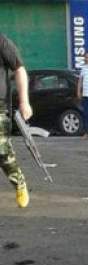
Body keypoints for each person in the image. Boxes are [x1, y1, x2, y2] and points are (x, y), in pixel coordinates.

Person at [0, 33, 32, 208]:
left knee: (1, 150)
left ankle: (19, 181)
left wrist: (24, 101)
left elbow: (19, 70)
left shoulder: (2, 41)